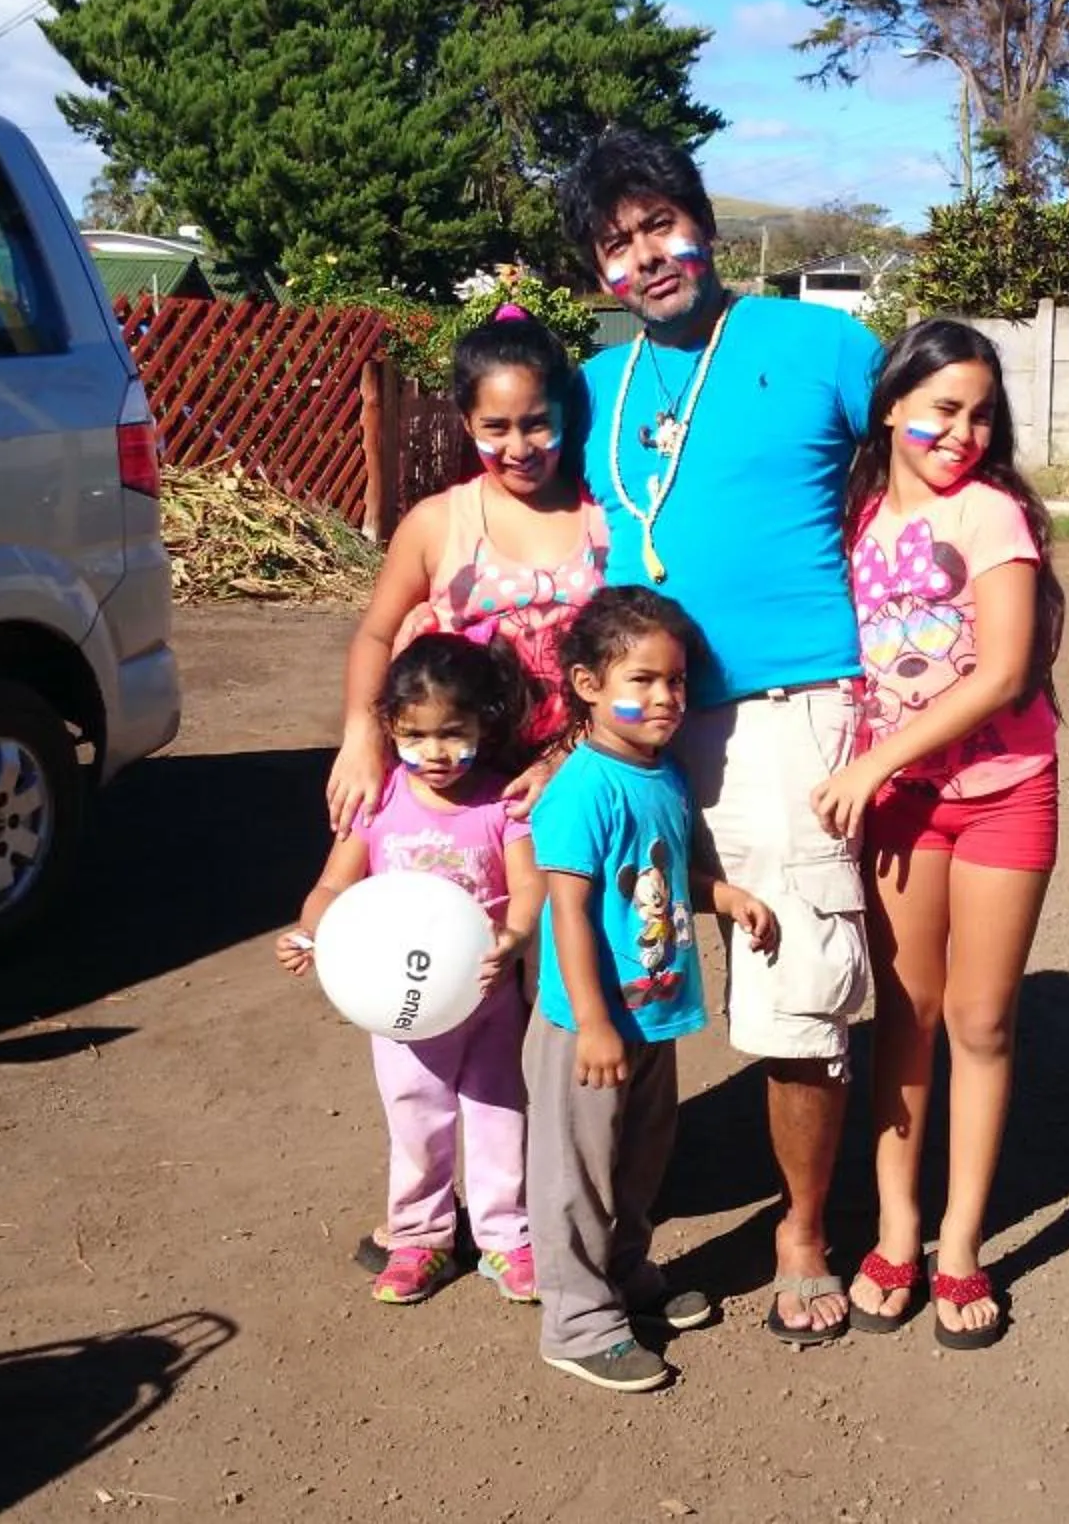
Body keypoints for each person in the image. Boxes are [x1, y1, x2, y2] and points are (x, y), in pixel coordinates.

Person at [554, 128, 883, 1345]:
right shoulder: (595, 381)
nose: (647, 256)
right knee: (616, 976)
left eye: (659, 224)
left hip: (780, 711)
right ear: (600, 271)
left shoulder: (824, 346)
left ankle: (801, 1230)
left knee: (795, 982)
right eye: (617, 242)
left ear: (704, 220)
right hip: (627, 728)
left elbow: (923, 466)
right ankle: (602, 1229)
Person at [812, 320, 1066, 1352]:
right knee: (905, 1015)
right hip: (907, 807)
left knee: (982, 1017)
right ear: (891, 407)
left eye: (980, 412)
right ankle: (897, 1226)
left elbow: (1005, 671)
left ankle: (961, 1240)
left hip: (1005, 790)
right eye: (942, 408)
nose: (962, 430)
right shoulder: (853, 516)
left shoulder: (992, 514)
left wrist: (872, 761)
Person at [528, 588, 778, 1391]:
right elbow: (567, 914)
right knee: (578, 1171)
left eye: (675, 682)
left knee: (639, 1159)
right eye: (641, 681)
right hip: (586, 1024)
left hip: (653, 1013)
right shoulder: (582, 790)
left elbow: (663, 881)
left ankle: (624, 1274)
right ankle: (575, 1319)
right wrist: (595, 1022)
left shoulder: (662, 776)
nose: (665, 698)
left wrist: (721, 895)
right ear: (587, 684)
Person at [281, 634, 545, 1306]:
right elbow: (332, 888)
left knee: (498, 1114)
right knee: (415, 1119)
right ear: (392, 729)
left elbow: (530, 885)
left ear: (486, 722)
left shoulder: (500, 804)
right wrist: (313, 933)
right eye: (415, 735)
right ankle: (419, 1237)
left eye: (452, 733)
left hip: (488, 997)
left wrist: (514, 938)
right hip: (402, 1008)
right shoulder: (378, 804)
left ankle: (504, 1237)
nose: (434, 752)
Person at [327, 307, 606, 837]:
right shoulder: (435, 523)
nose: (518, 448)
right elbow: (376, 634)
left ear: (564, 416)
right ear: (466, 423)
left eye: (537, 424)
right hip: (461, 799)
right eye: (495, 428)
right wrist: (361, 736)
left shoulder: (607, 521)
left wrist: (567, 757)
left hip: (581, 779)